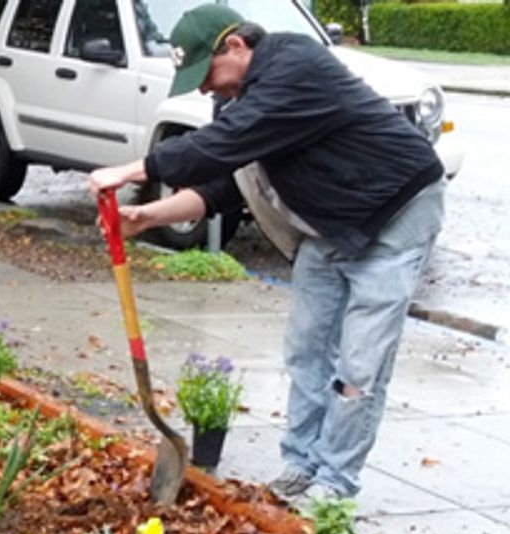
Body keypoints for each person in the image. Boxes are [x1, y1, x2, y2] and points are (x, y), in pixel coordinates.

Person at [87, 4, 445, 502]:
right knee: (306, 349)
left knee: (359, 365)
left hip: (396, 212)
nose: (206, 89)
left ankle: (333, 486)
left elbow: (223, 144)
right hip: (328, 225)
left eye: (206, 74)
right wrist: (148, 216)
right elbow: (227, 185)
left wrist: (134, 169)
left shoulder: (296, 66)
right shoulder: (242, 102)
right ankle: (299, 466)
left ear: (235, 46)